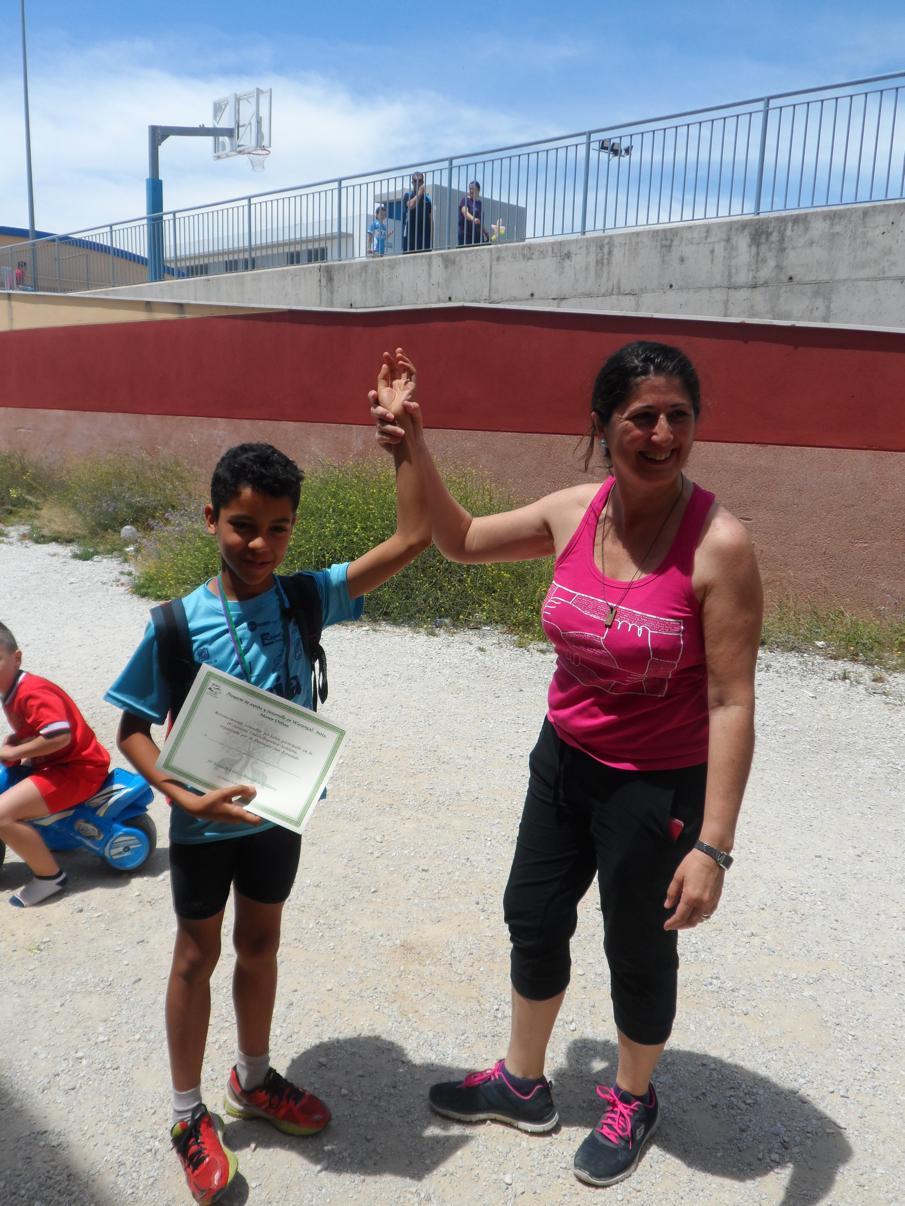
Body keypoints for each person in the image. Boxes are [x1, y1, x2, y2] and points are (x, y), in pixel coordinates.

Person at [369, 342, 762, 1189]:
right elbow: (461, 539)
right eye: (640, 417)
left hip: (656, 784)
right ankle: (521, 1082)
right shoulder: (574, 510)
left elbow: (730, 702)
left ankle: (632, 1096)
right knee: (533, 916)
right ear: (601, 427)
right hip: (563, 760)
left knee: (638, 946)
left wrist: (713, 846)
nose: (661, 433)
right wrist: (412, 441)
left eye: (678, 416)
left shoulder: (718, 545)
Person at [105, 417, 429, 1204]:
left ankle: (252, 1080)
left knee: (261, 943)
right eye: (244, 527)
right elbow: (132, 731)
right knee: (195, 957)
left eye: (279, 530)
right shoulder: (177, 623)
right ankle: (187, 1116)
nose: (261, 546)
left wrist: (405, 445)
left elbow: (416, 536)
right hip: (200, 822)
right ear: (211, 518)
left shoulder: (305, 598)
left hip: (279, 818)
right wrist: (182, 795)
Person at [0, 622, 110, 907]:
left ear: (17, 658)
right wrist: (15, 742)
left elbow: (59, 737)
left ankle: (50, 877)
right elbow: (34, 730)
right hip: (56, 764)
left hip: (76, 769)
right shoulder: (12, 690)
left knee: (1, 815)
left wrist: (15, 751)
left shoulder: (32, 692)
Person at [402, 172, 432, 253]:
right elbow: (411, 205)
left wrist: (432, 237)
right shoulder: (407, 195)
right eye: (415, 181)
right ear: (412, 182)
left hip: (424, 237)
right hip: (410, 236)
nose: (418, 183)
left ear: (423, 182)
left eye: (420, 180)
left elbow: (430, 219)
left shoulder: (428, 199)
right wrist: (419, 193)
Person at [458, 181, 487, 246]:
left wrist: (485, 232)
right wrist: (473, 219)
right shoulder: (465, 200)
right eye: (470, 188)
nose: (471, 190)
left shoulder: (479, 203)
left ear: (478, 190)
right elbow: (465, 212)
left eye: (473, 189)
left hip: (477, 235)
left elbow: (479, 221)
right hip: (466, 235)